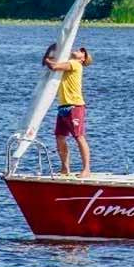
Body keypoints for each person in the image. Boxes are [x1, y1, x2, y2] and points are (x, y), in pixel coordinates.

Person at [43, 45, 93, 178]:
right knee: (59, 137)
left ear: (82, 59)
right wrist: (52, 52)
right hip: (63, 106)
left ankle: (86, 169)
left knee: (79, 137)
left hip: (75, 106)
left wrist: (47, 58)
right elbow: (55, 64)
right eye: (79, 49)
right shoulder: (68, 62)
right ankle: (65, 168)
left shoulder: (75, 64)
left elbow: (53, 66)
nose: (79, 51)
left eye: (83, 52)